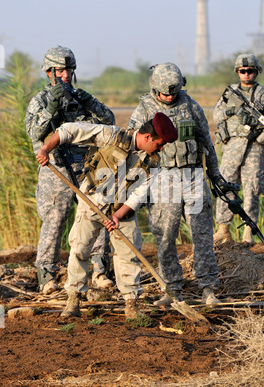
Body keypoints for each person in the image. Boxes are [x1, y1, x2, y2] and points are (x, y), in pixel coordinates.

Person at [35, 112, 178, 319]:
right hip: (93, 199)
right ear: (147, 137)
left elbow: (139, 194)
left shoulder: (153, 161)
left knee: (128, 253)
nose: (161, 148)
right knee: (80, 248)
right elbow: (68, 130)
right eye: (160, 143)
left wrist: (118, 216)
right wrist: (46, 149)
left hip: (122, 208)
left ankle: (131, 305)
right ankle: (73, 300)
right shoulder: (111, 136)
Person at [128, 62, 226, 306]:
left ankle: (208, 288)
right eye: (165, 93)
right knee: (165, 235)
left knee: (202, 233)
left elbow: (207, 141)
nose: (170, 96)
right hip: (162, 179)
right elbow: (132, 145)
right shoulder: (144, 109)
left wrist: (215, 175)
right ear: (154, 88)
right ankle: (171, 290)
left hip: (193, 176)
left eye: (174, 91)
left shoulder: (190, 105)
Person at [25, 46, 115, 295]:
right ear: (49, 72)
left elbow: (109, 123)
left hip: (85, 165)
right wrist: (51, 107)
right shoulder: (40, 101)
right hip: (56, 167)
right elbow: (34, 133)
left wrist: (90, 102)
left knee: (96, 215)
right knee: (55, 220)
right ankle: (47, 276)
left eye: (69, 70)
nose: (65, 75)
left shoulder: (80, 98)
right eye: (61, 70)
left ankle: (99, 271)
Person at [213, 53, 264, 244]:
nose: (246, 74)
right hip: (232, 146)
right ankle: (223, 229)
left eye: (250, 71)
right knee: (226, 186)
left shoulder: (263, 94)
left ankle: (249, 230)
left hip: (253, 147)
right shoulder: (230, 92)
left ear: (256, 72)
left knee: (252, 189)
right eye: (243, 71)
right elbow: (216, 115)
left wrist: (259, 136)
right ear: (237, 72)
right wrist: (231, 111)